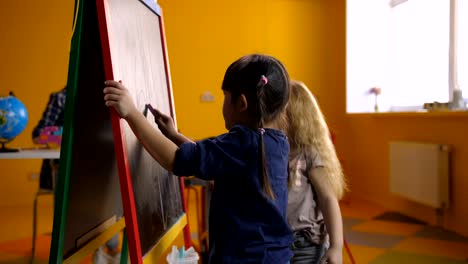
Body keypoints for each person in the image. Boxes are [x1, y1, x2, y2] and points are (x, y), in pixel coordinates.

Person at [103, 54, 294, 263]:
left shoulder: (243, 143)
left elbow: (176, 160)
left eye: (225, 95)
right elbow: (211, 155)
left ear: (241, 103)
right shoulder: (277, 142)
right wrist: (175, 136)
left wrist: (131, 113)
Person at [32, 86, 120, 264]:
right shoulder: (60, 98)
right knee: (88, 198)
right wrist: (72, 134)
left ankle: (107, 248)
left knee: (110, 189)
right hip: (65, 173)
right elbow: (38, 135)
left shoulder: (105, 97)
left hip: (97, 171)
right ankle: (87, 250)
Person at [285, 80, 347, 264]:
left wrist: (336, 247)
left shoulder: (309, 154)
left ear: (295, 116)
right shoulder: (275, 152)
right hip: (277, 242)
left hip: (305, 245)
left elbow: (328, 199)